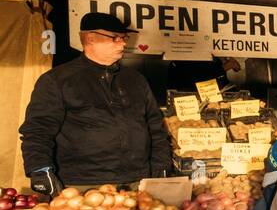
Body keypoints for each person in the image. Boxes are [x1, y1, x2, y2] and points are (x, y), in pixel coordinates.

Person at [20, 11, 172, 193]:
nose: (123, 43)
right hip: (83, 185)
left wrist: (161, 166)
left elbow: (155, 127)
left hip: (137, 182)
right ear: (91, 39)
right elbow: (38, 130)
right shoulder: (57, 80)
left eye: (124, 37)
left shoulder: (136, 80)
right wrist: (39, 169)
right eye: (115, 38)